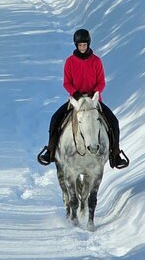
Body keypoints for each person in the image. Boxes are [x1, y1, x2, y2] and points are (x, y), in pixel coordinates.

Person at [36, 28, 130, 169]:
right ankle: (50, 151)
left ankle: (115, 154)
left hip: (93, 101)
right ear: (76, 45)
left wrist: (95, 93)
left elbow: (101, 82)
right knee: (55, 118)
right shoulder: (70, 62)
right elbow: (66, 83)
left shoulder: (96, 61)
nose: (82, 47)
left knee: (113, 121)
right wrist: (75, 93)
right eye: (80, 45)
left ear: (88, 44)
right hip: (76, 101)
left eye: (84, 45)